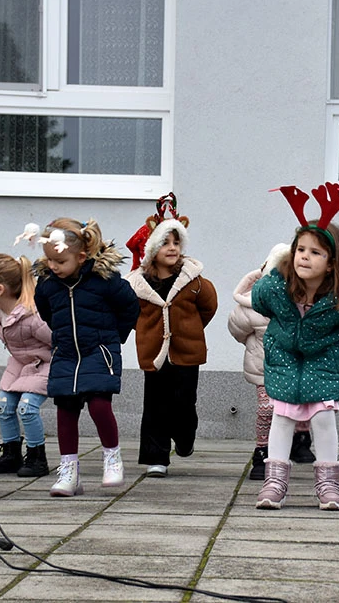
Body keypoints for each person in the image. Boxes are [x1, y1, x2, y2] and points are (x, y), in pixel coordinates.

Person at [252, 183, 339, 510]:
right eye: (300, 249)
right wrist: (274, 269)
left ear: (332, 263)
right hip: (286, 359)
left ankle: (328, 483)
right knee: (283, 417)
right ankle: (275, 482)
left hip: (324, 362)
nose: (305, 256)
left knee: (322, 419)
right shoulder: (280, 285)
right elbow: (258, 300)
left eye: (316, 252)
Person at [27, 218, 140, 497]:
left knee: (99, 405)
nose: (53, 266)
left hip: (99, 351)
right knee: (65, 410)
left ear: (81, 257)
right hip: (65, 352)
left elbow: (130, 307)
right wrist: (62, 335)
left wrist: (113, 338)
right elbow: (47, 311)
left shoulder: (105, 280)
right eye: (49, 260)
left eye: (60, 261)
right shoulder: (48, 284)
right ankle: (69, 471)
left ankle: (112, 458)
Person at [124, 203, 218, 479]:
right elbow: (130, 314)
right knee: (155, 404)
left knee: (184, 402)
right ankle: (156, 456)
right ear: (151, 248)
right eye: (165, 242)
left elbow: (208, 307)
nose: (172, 247)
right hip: (154, 353)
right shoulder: (137, 285)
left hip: (186, 352)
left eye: (177, 242)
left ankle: (185, 437)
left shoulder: (194, 281)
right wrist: (145, 330)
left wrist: (190, 329)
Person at [227, 244, 316, 481]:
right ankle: (262, 451)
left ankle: (300, 439)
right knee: (267, 409)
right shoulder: (252, 305)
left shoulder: (302, 304)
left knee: (301, 405)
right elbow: (237, 329)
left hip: (294, 368)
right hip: (264, 366)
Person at [0, 253, 52, 478]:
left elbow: (57, 341)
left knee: (27, 408)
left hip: (45, 364)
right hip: (19, 364)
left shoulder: (32, 317)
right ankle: (11, 454)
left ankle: (38, 457)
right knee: (3, 406)